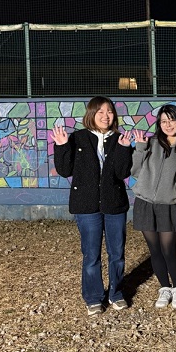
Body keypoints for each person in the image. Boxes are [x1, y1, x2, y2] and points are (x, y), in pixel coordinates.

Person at [50, 96, 133, 316]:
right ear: (91, 114)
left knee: (117, 253)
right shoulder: (78, 138)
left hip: (114, 204)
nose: (106, 116)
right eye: (100, 112)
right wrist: (61, 146)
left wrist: (124, 149)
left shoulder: (120, 139)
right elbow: (64, 170)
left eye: (110, 111)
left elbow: (122, 172)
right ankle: (93, 297)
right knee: (91, 254)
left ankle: (116, 293)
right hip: (86, 205)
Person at [131, 104, 176, 310]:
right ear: (159, 124)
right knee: (154, 250)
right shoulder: (151, 143)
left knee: (169, 250)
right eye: (164, 121)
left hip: (169, 205)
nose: (168, 124)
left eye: (172, 120)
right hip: (145, 203)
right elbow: (135, 171)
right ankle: (164, 287)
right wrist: (139, 148)